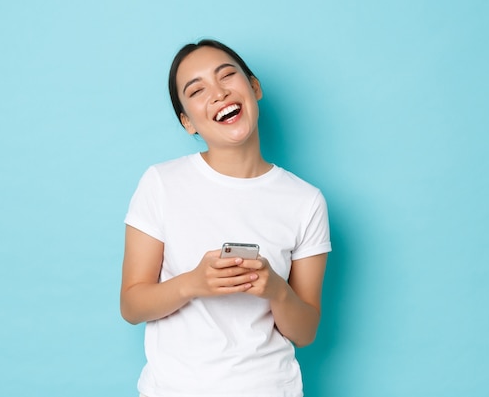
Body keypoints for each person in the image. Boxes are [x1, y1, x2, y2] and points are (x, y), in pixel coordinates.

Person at [120, 39, 331, 397]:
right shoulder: (161, 183)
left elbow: (305, 331)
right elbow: (131, 305)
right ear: (188, 122)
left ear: (254, 87)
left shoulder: (305, 201)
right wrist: (193, 283)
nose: (217, 93)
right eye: (197, 90)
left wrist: (276, 290)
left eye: (227, 75)